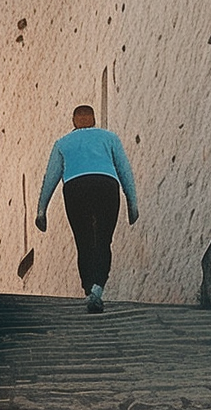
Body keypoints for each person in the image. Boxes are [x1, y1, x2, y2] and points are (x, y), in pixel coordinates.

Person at [35, 105, 138, 310]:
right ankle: (97, 289)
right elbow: (124, 169)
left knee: (83, 240)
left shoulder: (62, 143)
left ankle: (88, 288)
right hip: (106, 185)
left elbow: (51, 177)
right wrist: (132, 202)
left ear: (74, 121)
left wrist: (41, 210)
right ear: (93, 120)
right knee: (103, 239)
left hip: (75, 188)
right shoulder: (109, 137)